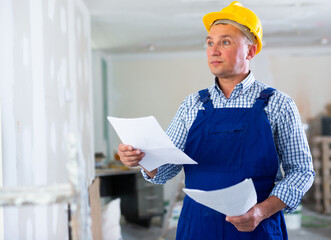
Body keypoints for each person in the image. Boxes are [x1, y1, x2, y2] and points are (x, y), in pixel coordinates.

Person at [117, 1, 315, 239]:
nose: (213, 50)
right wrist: (143, 160)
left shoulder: (278, 104)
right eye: (210, 42)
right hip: (197, 227)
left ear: (250, 51)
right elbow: (165, 171)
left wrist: (262, 212)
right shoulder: (192, 105)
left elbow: (302, 171)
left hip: (256, 228)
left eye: (225, 42)